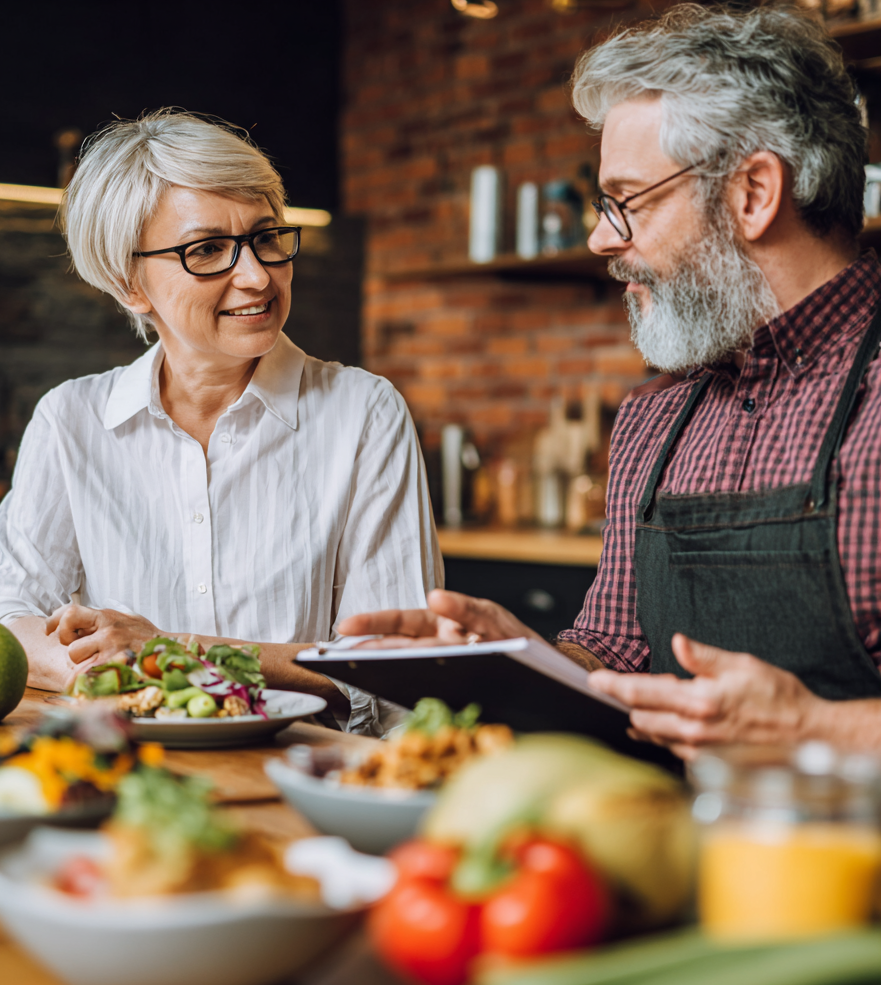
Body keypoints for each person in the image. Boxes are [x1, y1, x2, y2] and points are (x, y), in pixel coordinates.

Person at [339, 5, 881, 755]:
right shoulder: (657, 417)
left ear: (754, 193)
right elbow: (615, 655)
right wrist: (515, 663)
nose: (601, 238)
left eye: (626, 201)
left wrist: (813, 730)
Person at [0, 109, 440, 733]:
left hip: (306, 783)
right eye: (208, 250)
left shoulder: (365, 413)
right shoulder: (70, 420)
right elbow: (2, 618)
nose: (257, 276)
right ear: (128, 282)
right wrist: (88, 665)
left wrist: (171, 652)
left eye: (266, 237)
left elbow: (399, 669)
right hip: (129, 777)